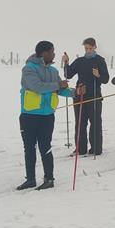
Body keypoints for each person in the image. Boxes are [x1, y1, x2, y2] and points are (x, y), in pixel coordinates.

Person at [17, 41, 74, 190]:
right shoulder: (29, 69)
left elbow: (59, 90)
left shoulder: (53, 71)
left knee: (45, 147)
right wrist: (58, 85)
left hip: (47, 116)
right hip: (29, 115)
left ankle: (49, 179)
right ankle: (30, 179)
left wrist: (74, 93)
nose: (54, 54)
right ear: (44, 53)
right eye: (52, 51)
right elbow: (37, 87)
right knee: (29, 147)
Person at [62, 37, 109, 156]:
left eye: (90, 48)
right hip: (80, 95)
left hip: (95, 96)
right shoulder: (80, 61)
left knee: (95, 123)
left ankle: (96, 149)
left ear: (95, 47)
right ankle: (80, 148)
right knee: (80, 123)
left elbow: (105, 79)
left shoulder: (100, 61)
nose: (88, 50)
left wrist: (98, 75)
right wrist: (66, 63)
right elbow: (69, 74)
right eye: (86, 48)